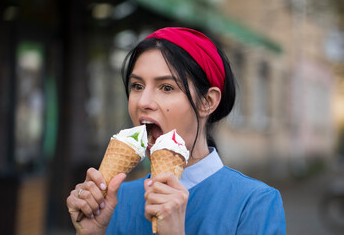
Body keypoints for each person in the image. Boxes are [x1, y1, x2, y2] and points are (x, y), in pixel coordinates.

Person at [66, 27, 286, 234]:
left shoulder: (255, 203)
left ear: (207, 102)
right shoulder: (116, 199)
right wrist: (92, 232)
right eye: (137, 86)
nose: (143, 101)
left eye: (167, 87)